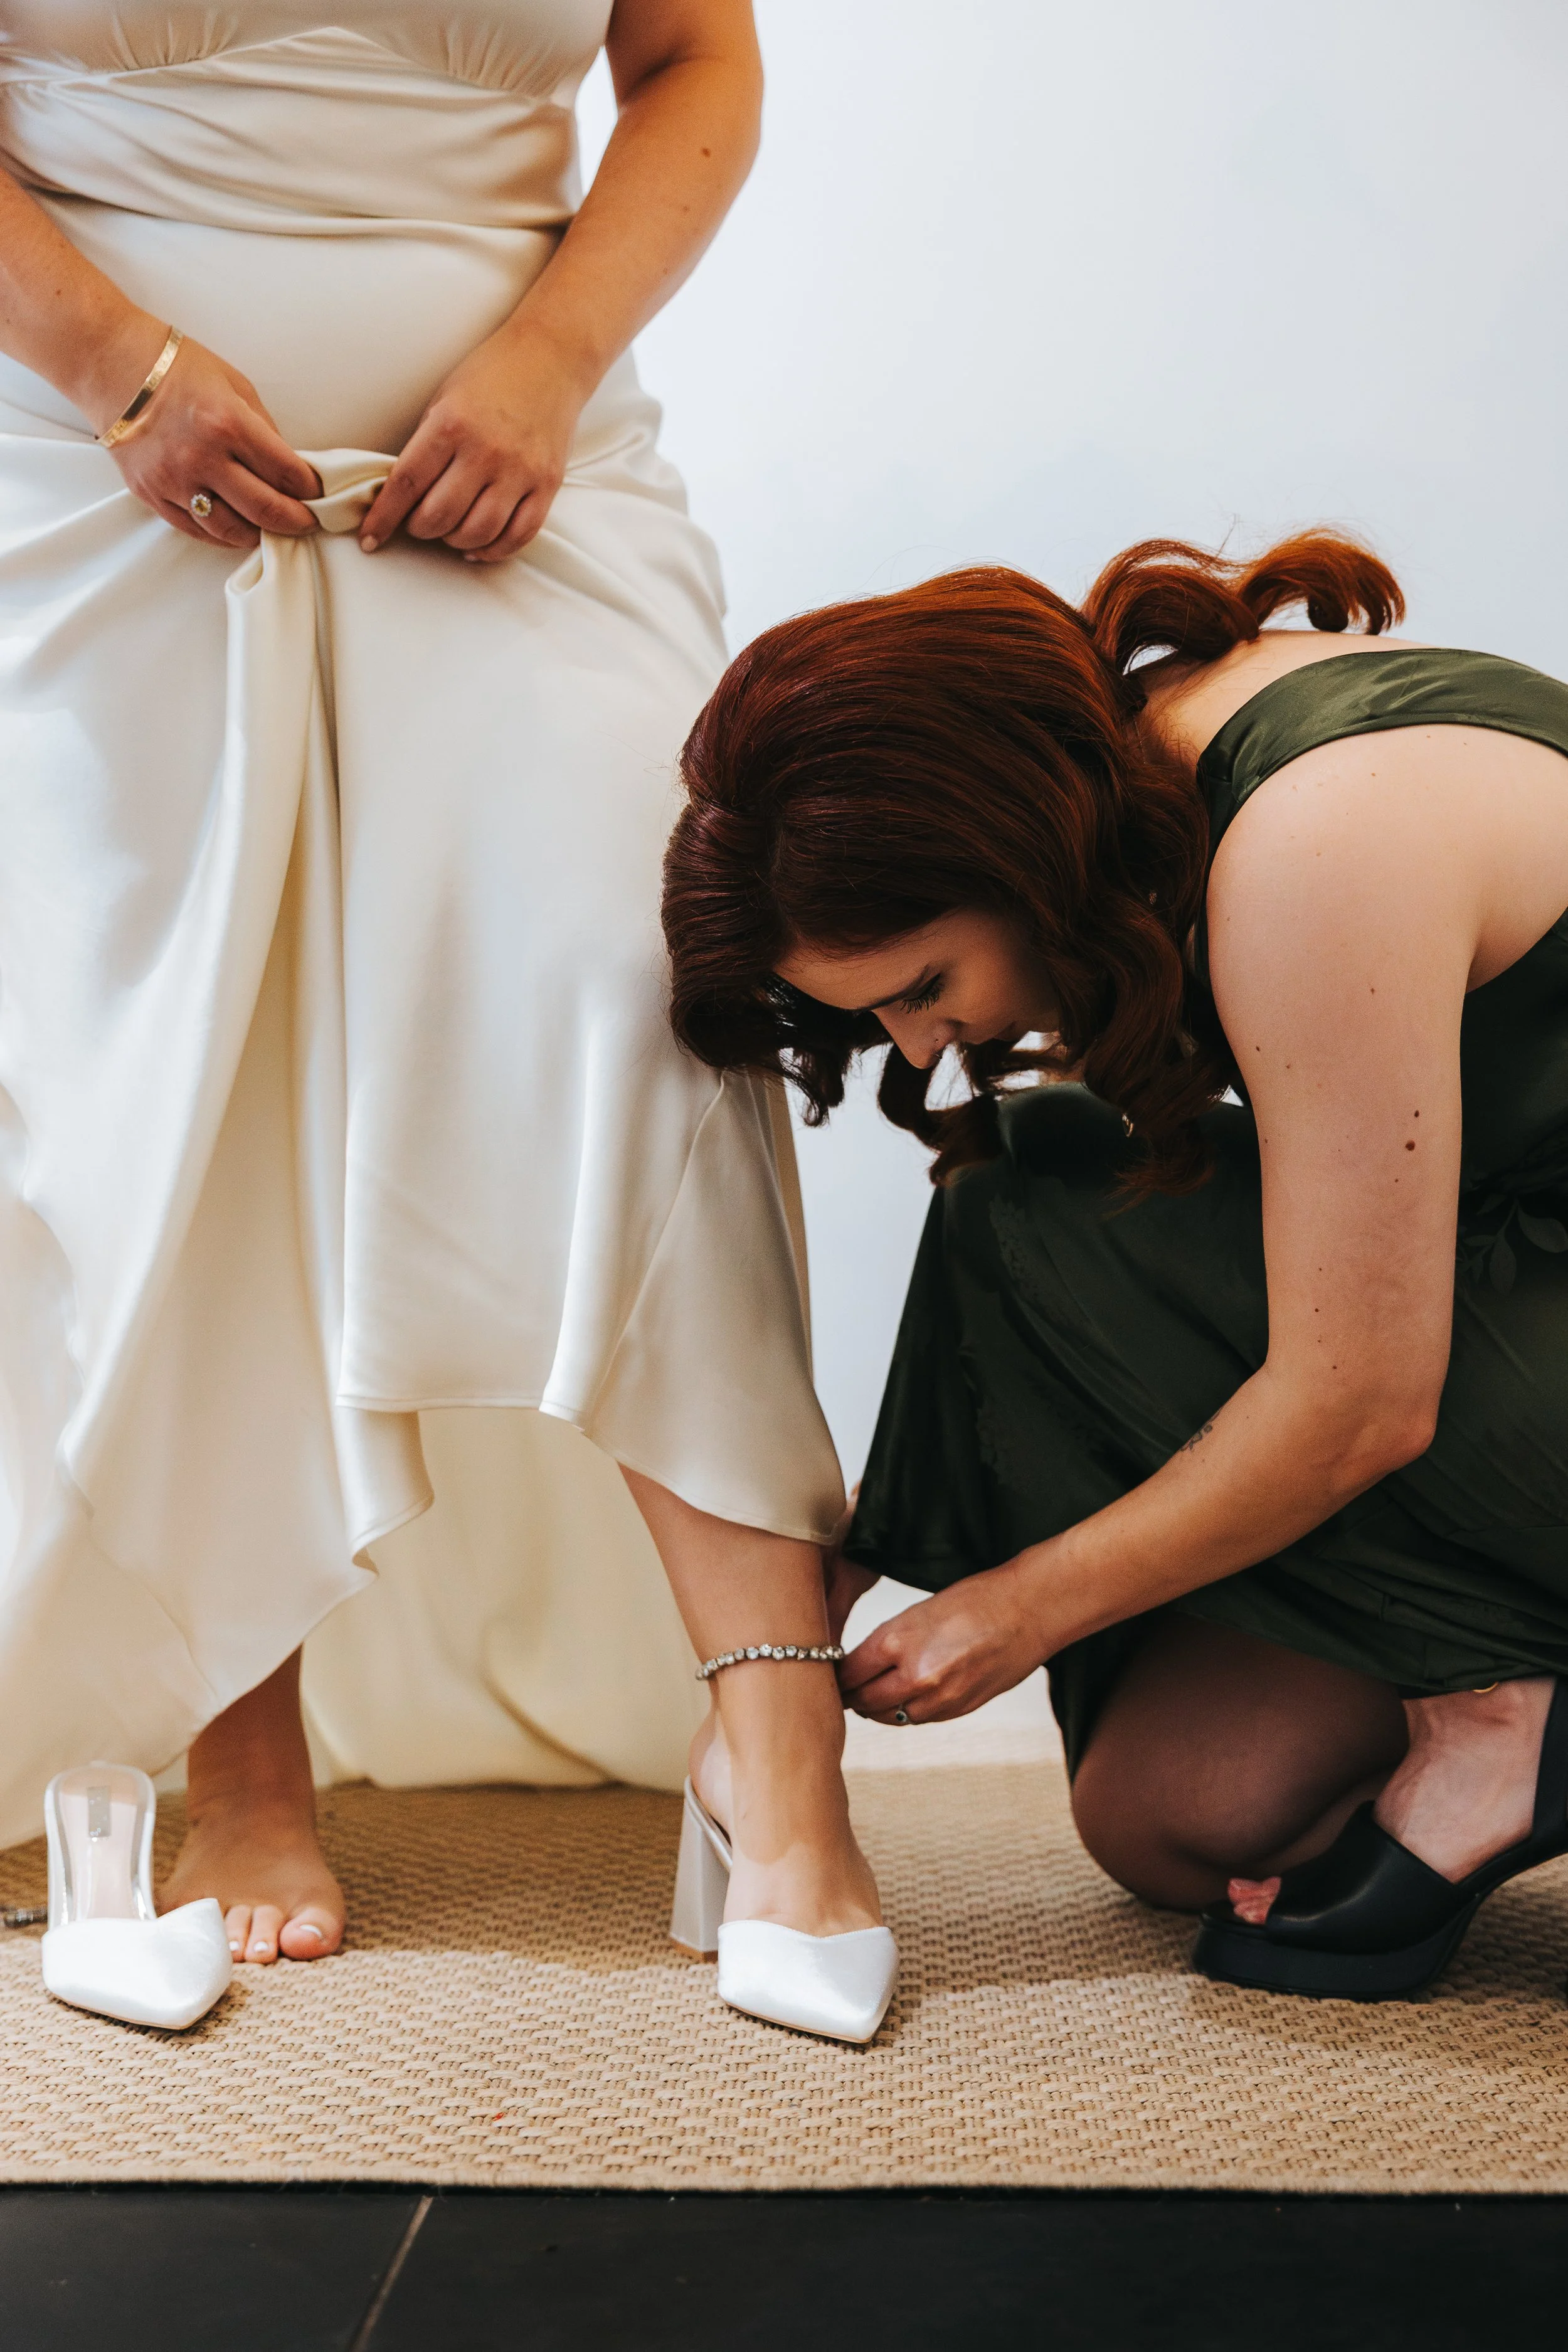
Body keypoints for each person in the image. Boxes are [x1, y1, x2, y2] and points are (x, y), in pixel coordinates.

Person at [0, 0, 886, 2016]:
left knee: (647, 994)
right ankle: (242, 1750)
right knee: (182, 1064)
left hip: (523, 466)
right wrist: (114, 364)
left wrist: (552, 357)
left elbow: (694, 60)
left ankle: (777, 1748)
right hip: (81, 471)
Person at [662, 531, 1568, 1999]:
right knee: (1172, 1811)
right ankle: (789, 1662)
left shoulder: (1311, 837)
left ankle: (1499, 1719)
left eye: (921, 986)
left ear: (1008, 846)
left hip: (1486, 1340)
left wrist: (1013, 1608)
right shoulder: (1171, 767)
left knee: (1025, 1188)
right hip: (1522, 1301)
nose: (918, 1048)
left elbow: (1358, 1397)